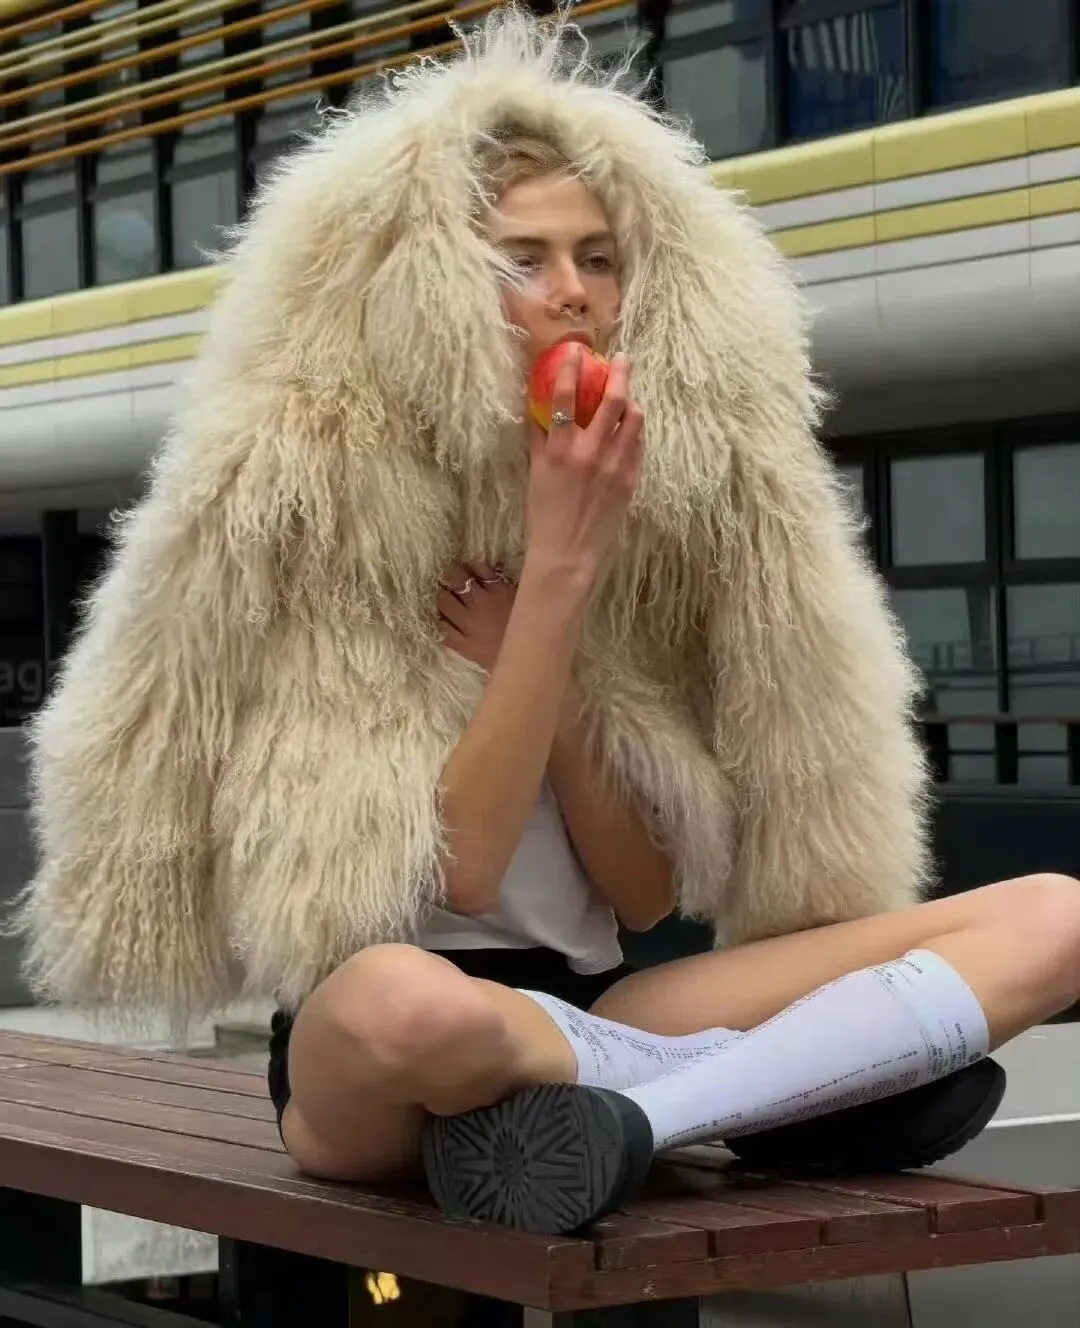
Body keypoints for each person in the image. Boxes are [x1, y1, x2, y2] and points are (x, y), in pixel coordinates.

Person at [10, 9, 1080, 1238]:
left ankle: (651, 1107)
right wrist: (558, 574)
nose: (574, 292)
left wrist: (562, 657)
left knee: (1054, 912)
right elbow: (460, 871)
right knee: (415, 1003)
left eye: (600, 257)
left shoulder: (654, 498)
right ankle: (788, 1082)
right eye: (524, 259)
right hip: (378, 1044)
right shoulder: (325, 497)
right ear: (428, 284)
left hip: (599, 1008)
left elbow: (639, 895)